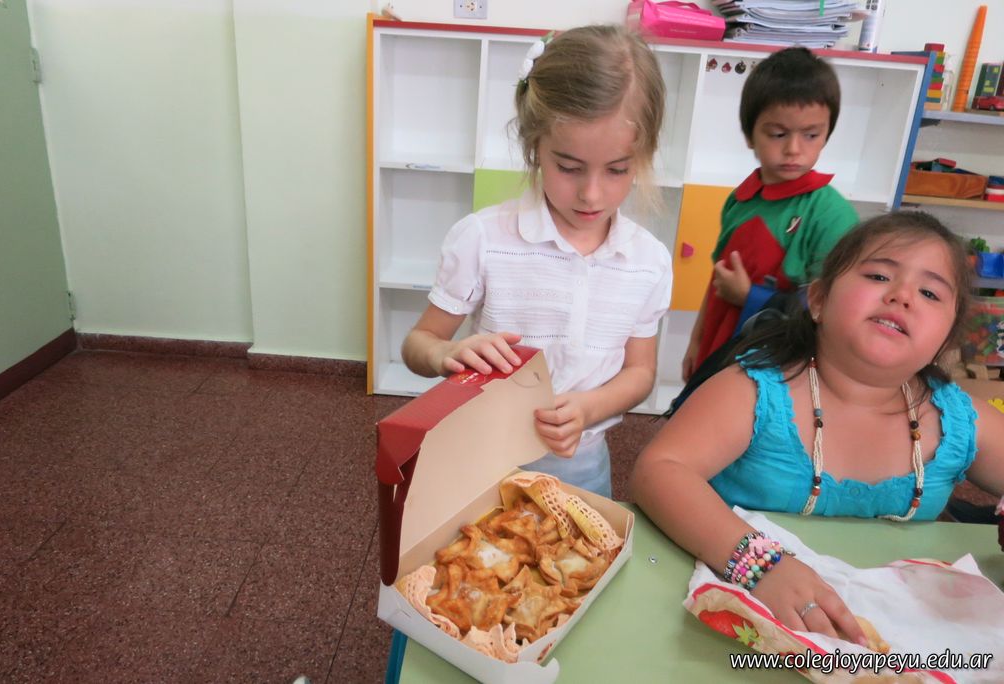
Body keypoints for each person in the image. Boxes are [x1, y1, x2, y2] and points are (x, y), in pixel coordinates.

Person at [633, 211, 1004, 644]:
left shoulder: (956, 420)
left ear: (947, 338)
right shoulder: (755, 393)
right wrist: (760, 565)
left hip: (885, 643)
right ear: (819, 300)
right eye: (879, 276)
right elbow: (658, 470)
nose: (903, 296)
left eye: (929, 292)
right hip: (728, 622)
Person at [401, 25, 672, 498]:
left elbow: (641, 373)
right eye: (568, 167)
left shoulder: (648, 261)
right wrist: (445, 354)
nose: (591, 194)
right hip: (481, 458)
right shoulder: (484, 238)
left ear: (643, 157)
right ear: (535, 148)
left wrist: (588, 408)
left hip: (582, 462)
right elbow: (418, 344)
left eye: (617, 170)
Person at [674, 47, 859, 415]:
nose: (793, 149)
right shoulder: (741, 198)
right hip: (721, 340)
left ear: (827, 134)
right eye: (777, 134)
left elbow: (828, 312)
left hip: (777, 360)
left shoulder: (832, 215)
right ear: (749, 135)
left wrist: (751, 297)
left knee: (752, 425)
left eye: (811, 135)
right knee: (703, 415)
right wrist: (697, 341)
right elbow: (718, 277)